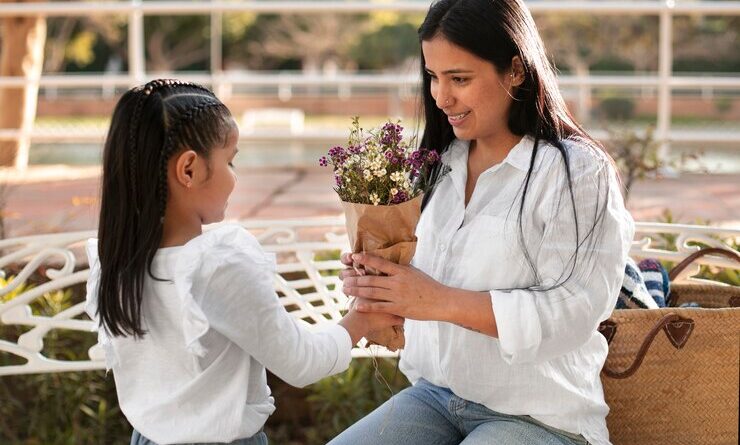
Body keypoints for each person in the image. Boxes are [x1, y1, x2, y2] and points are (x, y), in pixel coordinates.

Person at [330, 1, 634, 444]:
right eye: (433, 77)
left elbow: (574, 311)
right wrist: (379, 282)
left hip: (539, 415)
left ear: (514, 70)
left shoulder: (575, 171)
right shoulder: (435, 166)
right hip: (435, 397)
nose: (440, 97)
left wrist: (436, 300)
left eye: (460, 78)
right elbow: (418, 289)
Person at [85, 79, 401, 445]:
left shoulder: (114, 263)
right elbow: (301, 362)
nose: (235, 177)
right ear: (189, 169)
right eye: (229, 160)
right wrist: (360, 320)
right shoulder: (214, 266)